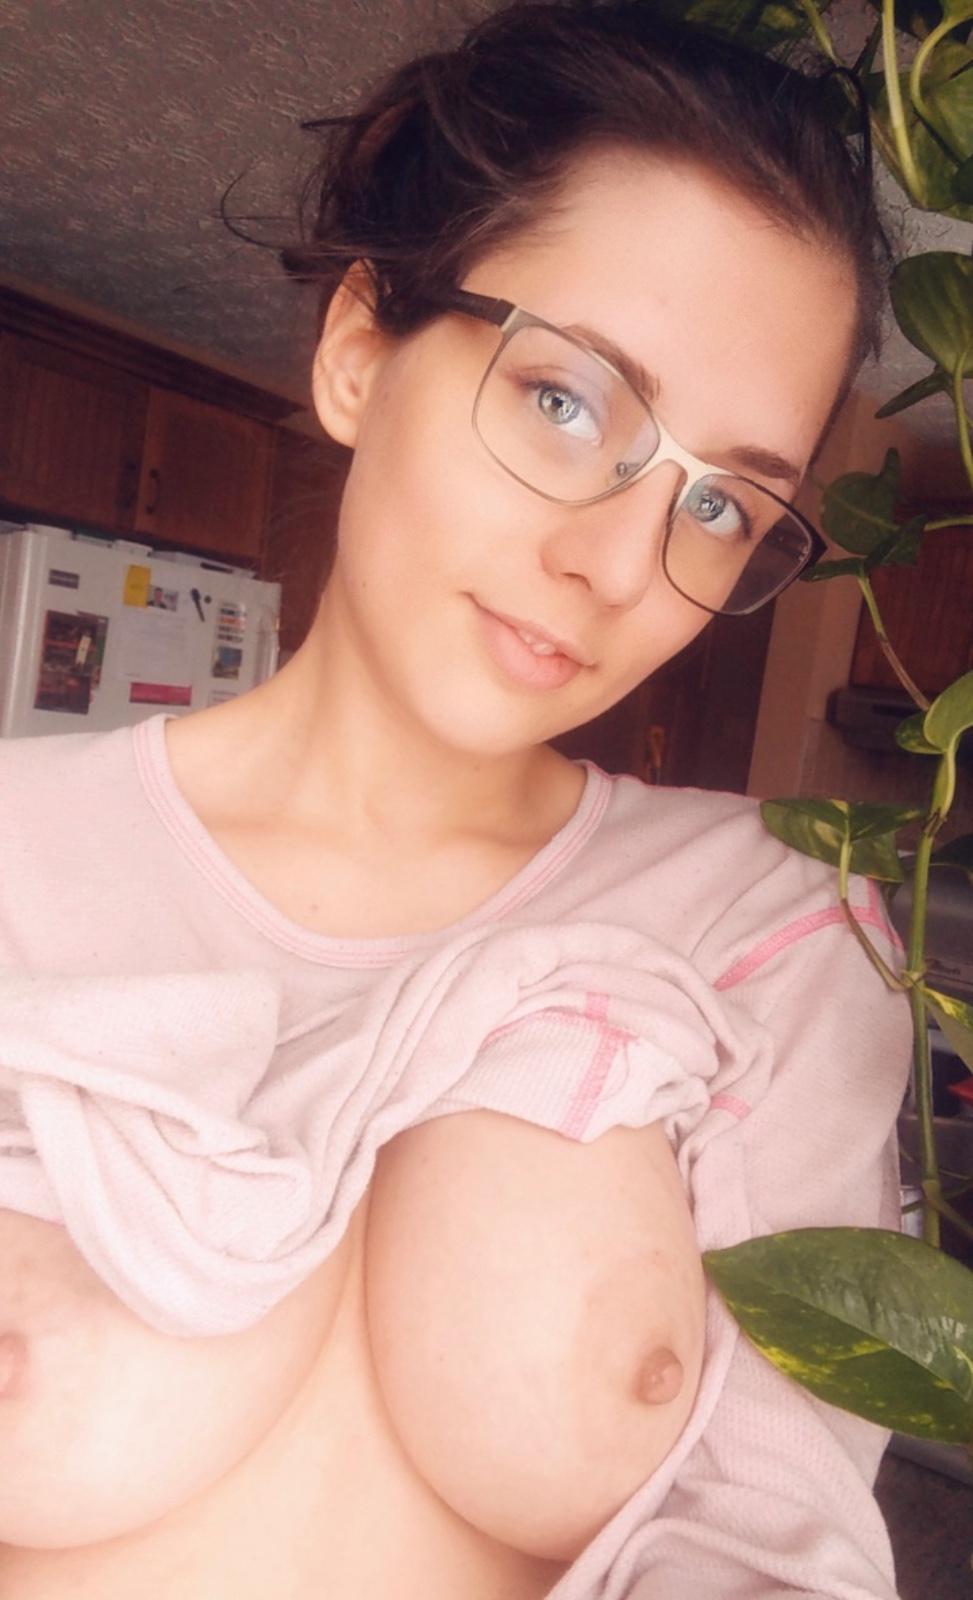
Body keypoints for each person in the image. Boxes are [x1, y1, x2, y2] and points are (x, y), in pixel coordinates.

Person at [0, 3, 912, 1597]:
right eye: (567, 401)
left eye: (719, 503)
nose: (618, 566)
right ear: (362, 351)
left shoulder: (768, 924)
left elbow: (786, 1533)